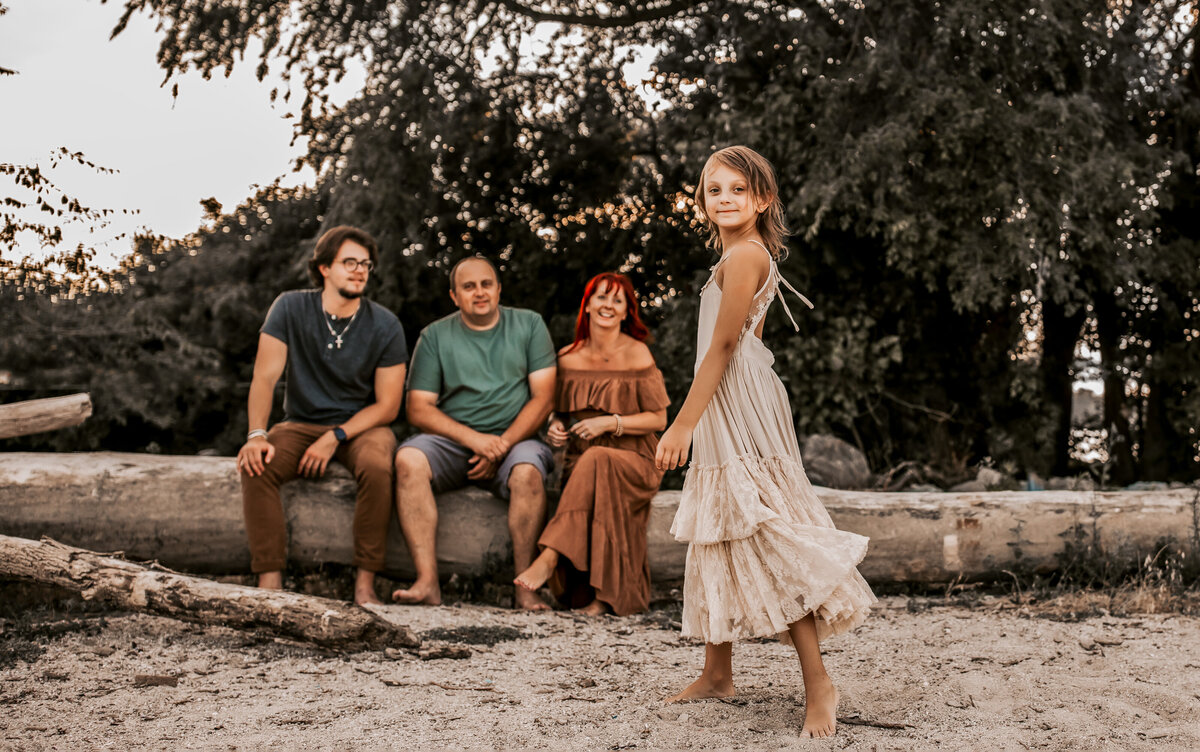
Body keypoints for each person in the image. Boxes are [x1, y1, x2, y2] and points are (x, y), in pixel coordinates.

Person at [654, 146, 876, 737]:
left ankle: (818, 683)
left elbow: (724, 349)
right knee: (720, 525)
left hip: (734, 402)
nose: (723, 199)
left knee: (763, 530)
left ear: (762, 200)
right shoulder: (739, 255)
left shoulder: (746, 256)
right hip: (732, 397)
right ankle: (718, 671)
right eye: (713, 190)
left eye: (736, 190)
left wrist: (682, 423)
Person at [237, 225, 408, 605]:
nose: (360, 270)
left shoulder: (385, 325)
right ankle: (270, 583)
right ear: (324, 268)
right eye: (349, 262)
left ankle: (365, 585)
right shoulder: (290, 307)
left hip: (363, 425)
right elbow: (264, 377)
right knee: (256, 465)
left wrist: (334, 438)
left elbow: (388, 407)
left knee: (379, 467)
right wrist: (256, 434)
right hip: (299, 423)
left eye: (365, 264)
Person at [393, 256, 557, 611]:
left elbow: (544, 399)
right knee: (408, 459)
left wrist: (500, 446)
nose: (479, 292)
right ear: (455, 296)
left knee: (528, 473)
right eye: (469, 286)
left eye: (486, 284)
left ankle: (524, 587)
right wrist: (477, 442)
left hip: (516, 440)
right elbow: (418, 408)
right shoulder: (434, 336)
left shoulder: (528, 325)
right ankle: (427, 581)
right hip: (454, 442)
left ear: (498, 289)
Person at [513, 272, 669, 616]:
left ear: (628, 311)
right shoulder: (568, 357)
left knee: (599, 456)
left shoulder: (638, 353)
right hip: (584, 464)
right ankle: (599, 601)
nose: (608, 306)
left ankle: (550, 556)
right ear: (587, 305)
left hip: (635, 461)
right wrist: (555, 426)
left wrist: (610, 422)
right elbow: (558, 412)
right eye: (601, 297)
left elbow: (659, 419)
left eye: (617, 300)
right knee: (595, 460)